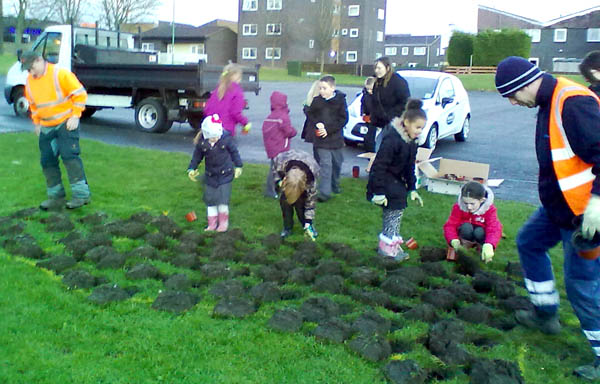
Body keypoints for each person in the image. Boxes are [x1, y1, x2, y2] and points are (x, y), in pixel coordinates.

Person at [495, 56, 600, 380]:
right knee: (529, 241)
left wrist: (597, 200)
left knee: (582, 284)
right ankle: (545, 313)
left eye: (511, 95)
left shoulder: (573, 102)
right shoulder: (549, 102)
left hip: (586, 217)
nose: (512, 102)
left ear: (524, 84)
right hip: (559, 209)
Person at [21, 50, 91, 210]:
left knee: (69, 156)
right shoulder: (30, 82)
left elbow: (80, 94)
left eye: (31, 68)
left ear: (39, 60)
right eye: (27, 70)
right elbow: (34, 105)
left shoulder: (60, 74)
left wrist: (75, 116)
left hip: (66, 123)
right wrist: (37, 123)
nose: (30, 72)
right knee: (47, 161)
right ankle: (56, 197)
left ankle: (81, 195)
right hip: (46, 127)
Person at [366, 99, 426, 260]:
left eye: (422, 128)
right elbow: (379, 166)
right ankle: (387, 247)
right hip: (382, 179)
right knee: (395, 206)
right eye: (418, 127)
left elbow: (409, 167)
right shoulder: (392, 140)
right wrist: (378, 192)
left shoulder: (412, 142)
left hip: (395, 179)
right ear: (406, 122)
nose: (420, 131)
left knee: (398, 204)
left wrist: (412, 188)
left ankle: (391, 241)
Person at [187, 114, 243, 232]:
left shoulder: (226, 139)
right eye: (212, 137)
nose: (215, 139)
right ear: (206, 135)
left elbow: (234, 152)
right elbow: (197, 156)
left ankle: (223, 223)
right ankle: (211, 224)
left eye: (217, 136)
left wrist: (238, 166)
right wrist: (192, 168)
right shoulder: (202, 143)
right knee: (210, 201)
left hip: (225, 175)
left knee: (222, 200)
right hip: (210, 176)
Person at [304, 75, 348, 201]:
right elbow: (309, 113)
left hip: (336, 139)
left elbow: (343, 119)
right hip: (321, 141)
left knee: (337, 163)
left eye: (324, 88)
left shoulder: (340, 101)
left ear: (332, 88)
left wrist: (327, 129)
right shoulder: (317, 101)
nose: (321, 91)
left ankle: (335, 184)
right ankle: (324, 192)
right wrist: (317, 123)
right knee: (325, 165)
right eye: (320, 88)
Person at [443, 181, 503, 263]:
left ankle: (481, 249)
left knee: (479, 232)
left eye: (472, 203)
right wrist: (453, 240)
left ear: (482, 200)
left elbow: (494, 228)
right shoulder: (458, 207)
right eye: (465, 203)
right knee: (466, 227)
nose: (469, 207)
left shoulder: (489, 209)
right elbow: (450, 225)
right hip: (466, 231)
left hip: (480, 233)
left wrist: (489, 245)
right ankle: (463, 248)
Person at [271, 149, 320, 241]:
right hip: (287, 173)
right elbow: (274, 171)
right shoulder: (280, 161)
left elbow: (311, 203)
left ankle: (306, 225)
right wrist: (278, 181)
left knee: (301, 204)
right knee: (285, 201)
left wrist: (308, 221)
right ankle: (287, 227)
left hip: (305, 172)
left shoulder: (312, 178)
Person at [262, 91, 297, 198]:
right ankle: (271, 191)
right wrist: (294, 131)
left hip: (272, 147)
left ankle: (277, 188)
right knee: (276, 170)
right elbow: (288, 131)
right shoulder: (283, 116)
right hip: (281, 147)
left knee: (276, 168)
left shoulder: (270, 116)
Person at [371, 57, 410, 151]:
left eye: (379, 68)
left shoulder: (398, 82)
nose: (377, 71)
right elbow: (375, 102)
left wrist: (391, 116)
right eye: (375, 68)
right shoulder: (377, 83)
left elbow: (405, 102)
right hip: (380, 123)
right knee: (378, 149)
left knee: (383, 149)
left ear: (387, 68)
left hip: (393, 123)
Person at [204, 63, 252, 137]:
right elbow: (235, 112)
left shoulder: (218, 89)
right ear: (237, 77)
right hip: (226, 129)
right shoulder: (237, 91)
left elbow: (207, 109)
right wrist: (245, 123)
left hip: (211, 129)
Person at [360, 76, 377, 152]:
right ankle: (369, 150)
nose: (369, 91)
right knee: (368, 136)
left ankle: (372, 150)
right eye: (368, 89)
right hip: (368, 118)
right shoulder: (365, 95)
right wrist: (363, 113)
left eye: (371, 89)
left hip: (375, 118)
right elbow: (363, 105)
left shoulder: (377, 96)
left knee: (372, 136)